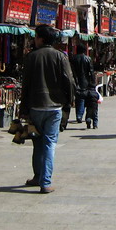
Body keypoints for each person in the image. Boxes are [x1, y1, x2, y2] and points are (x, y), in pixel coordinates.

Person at [20, 25, 75, 193]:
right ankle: (45, 182)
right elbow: (69, 80)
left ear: (42, 39)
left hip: (36, 106)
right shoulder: (60, 56)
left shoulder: (31, 57)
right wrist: (69, 101)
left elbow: (26, 85)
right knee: (49, 144)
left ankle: (38, 176)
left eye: (36, 37)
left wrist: (23, 108)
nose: (34, 40)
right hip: (54, 107)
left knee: (37, 143)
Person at [71, 43, 98, 129]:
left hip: (75, 80)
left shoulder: (73, 59)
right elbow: (91, 71)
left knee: (79, 98)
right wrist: (93, 82)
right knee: (83, 98)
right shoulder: (88, 58)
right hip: (85, 81)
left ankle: (79, 115)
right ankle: (81, 115)